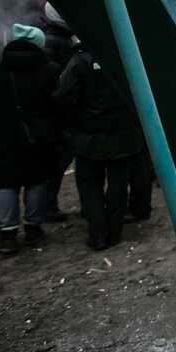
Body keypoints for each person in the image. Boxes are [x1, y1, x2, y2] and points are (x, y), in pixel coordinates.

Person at [0, 24, 62, 255]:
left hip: (3, 135)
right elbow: (59, 102)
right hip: (40, 135)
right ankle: (33, 227)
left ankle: (7, 233)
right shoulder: (50, 70)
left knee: (6, 183)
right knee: (37, 180)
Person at [54, 44, 146, 250]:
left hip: (89, 135)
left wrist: (75, 120)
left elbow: (62, 96)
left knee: (89, 184)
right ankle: (114, 231)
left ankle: (98, 233)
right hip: (123, 133)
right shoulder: (125, 56)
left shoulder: (80, 61)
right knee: (118, 185)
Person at [39, 2, 77, 223]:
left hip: (46, 115)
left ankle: (43, 207)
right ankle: (47, 207)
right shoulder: (61, 45)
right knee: (57, 162)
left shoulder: (45, 39)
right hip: (58, 115)